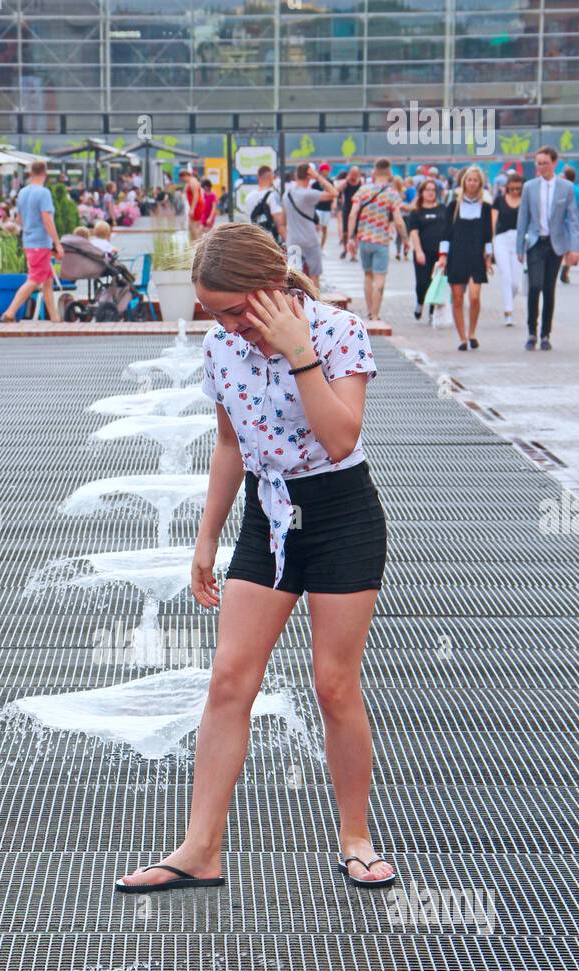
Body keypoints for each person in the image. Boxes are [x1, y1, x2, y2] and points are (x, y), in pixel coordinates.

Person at [115, 221, 395, 896]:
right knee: (229, 681)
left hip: (340, 516)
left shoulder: (335, 334)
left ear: (272, 286)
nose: (230, 325)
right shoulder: (221, 349)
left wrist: (298, 353)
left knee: (333, 684)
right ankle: (200, 848)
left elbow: (338, 440)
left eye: (237, 311)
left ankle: (355, 837)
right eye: (215, 313)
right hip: (266, 520)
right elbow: (230, 447)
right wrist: (206, 538)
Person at [516, 145, 579, 350]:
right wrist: (519, 247)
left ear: (554, 163)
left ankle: (545, 334)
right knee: (535, 286)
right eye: (538, 163)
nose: (540, 167)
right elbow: (523, 217)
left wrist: (574, 248)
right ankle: (531, 332)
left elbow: (571, 220)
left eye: (544, 163)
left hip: (555, 244)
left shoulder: (566, 188)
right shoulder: (529, 187)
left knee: (549, 289)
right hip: (535, 242)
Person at [435, 166, 493, 350]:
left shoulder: (485, 207)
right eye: (469, 180)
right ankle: (462, 338)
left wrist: (489, 257)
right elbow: (446, 232)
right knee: (457, 297)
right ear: (464, 182)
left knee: (474, 297)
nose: (472, 183)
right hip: (457, 255)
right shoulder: (453, 206)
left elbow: (487, 234)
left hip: (476, 255)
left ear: (480, 183)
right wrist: (443, 256)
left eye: (476, 180)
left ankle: (472, 332)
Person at [1, 159, 64, 323]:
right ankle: (10, 312)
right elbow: (47, 219)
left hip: (28, 242)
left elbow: (19, 220)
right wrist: (57, 243)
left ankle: (55, 318)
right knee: (35, 280)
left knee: (48, 281)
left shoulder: (22, 192)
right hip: (41, 243)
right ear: (45, 173)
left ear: (30, 173)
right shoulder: (43, 193)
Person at [346, 157, 408, 321]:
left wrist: (350, 237)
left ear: (374, 170)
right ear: (389, 171)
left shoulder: (363, 190)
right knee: (380, 278)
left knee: (368, 276)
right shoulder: (392, 194)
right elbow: (399, 221)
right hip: (381, 241)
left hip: (364, 240)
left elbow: (353, 214)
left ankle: (368, 310)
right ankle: (375, 314)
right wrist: (406, 240)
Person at [282, 162, 337, 288]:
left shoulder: (286, 195)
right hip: (310, 240)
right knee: (314, 276)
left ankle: (295, 305)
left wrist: (287, 238)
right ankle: (314, 304)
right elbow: (334, 193)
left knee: (294, 278)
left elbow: (283, 221)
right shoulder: (308, 194)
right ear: (309, 176)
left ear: (296, 176)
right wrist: (318, 177)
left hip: (293, 240)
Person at [406, 178, 449, 319]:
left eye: (433, 190)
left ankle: (432, 310)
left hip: (440, 252)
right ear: (422, 192)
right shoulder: (416, 212)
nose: (430, 193)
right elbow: (413, 232)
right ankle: (420, 302)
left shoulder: (443, 209)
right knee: (422, 282)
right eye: (427, 190)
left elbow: (449, 230)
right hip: (423, 251)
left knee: (436, 281)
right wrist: (418, 251)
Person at [492, 174, 524, 325]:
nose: (515, 191)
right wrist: (490, 242)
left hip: (519, 240)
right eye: (512, 188)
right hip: (501, 239)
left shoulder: (525, 201)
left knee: (516, 283)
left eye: (518, 189)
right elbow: (493, 221)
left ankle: (508, 299)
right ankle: (508, 311)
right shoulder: (499, 200)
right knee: (506, 275)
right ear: (507, 188)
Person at [244, 164, 286, 246]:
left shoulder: (249, 197)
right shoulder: (272, 196)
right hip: (270, 241)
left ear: (258, 178)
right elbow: (279, 223)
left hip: (254, 239)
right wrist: (287, 241)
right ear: (271, 178)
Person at [336, 166, 363, 259]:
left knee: (356, 233)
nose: (354, 176)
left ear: (359, 174)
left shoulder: (361, 183)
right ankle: (345, 249)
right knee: (345, 232)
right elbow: (337, 190)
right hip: (347, 209)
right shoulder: (346, 182)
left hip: (357, 210)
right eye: (352, 173)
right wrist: (346, 180)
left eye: (356, 174)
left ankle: (353, 254)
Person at [561, 166, 578, 283]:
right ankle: (566, 267)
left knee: (567, 246)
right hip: (576, 221)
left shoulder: (562, 190)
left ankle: (566, 267)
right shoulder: (577, 189)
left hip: (564, 221)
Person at [181, 169, 206, 241]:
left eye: (182, 177)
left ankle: (197, 242)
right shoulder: (189, 182)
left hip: (197, 206)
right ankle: (194, 242)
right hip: (195, 206)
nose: (182, 180)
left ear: (185, 175)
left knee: (194, 226)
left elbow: (196, 196)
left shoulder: (193, 182)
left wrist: (192, 209)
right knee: (191, 226)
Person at [314, 164, 336, 247]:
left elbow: (334, 193)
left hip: (327, 208)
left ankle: (321, 247)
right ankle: (316, 246)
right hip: (318, 208)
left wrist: (334, 203)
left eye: (328, 170)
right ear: (321, 171)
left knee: (325, 228)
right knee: (317, 228)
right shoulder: (316, 183)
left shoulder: (330, 182)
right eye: (325, 170)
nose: (327, 172)